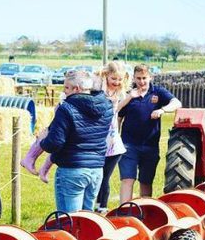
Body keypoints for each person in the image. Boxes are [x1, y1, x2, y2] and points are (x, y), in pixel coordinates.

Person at [40, 70, 113, 213]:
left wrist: (43, 140)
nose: (64, 92)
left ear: (77, 89)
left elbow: (55, 143)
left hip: (72, 169)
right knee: (88, 222)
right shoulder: (107, 106)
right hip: (96, 169)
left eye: (67, 88)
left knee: (69, 222)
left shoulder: (66, 108)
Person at [117, 64, 182, 202]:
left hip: (150, 145)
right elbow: (118, 116)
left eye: (144, 78)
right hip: (128, 145)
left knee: (146, 181)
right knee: (128, 179)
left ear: (150, 77)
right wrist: (116, 137)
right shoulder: (129, 95)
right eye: (138, 78)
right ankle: (123, 211)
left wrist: (162, 110)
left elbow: (176, 103)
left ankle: (145, 211)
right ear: (134, 78)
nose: (141, 81)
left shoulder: (157, 92)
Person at [96, 62, 130, 214]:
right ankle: (95, 205)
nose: (116, 82)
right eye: (113, 78)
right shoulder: (99, 89)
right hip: (98, 141)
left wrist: (130, 97)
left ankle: (102, 208)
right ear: (106, 76)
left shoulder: (120, 93)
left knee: (104, 177)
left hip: (113, 143)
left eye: (119, 79)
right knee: (96, 176)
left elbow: (117, 109)